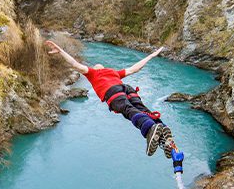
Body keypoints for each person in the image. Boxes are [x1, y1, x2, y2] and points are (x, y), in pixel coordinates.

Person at [45, 40, 176, 157]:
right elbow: (135, 69)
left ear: (96, 68)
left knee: (128, 110)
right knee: (142, 109)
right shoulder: (114, 72)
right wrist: (151, 56)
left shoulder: (93, 73)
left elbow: (75, 64)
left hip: (112, 92)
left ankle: (149, 128)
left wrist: (60, 51)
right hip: (126, 88)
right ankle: (164, 136)